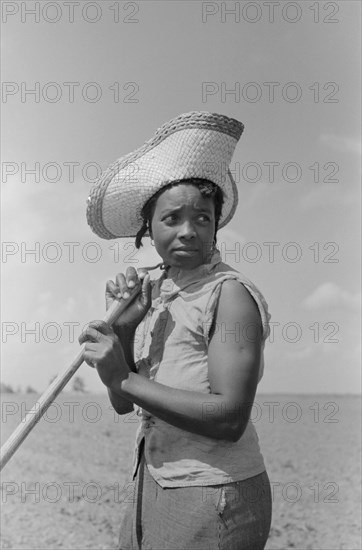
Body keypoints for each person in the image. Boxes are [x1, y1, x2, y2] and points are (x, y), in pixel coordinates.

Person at [80, 111, 272, 550]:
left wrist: (122, 376)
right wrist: (124, 331)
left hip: (214, 493)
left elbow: (229, 418)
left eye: (202, 218)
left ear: (216, 224)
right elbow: (123, 406)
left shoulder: (230, 296)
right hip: (153, 478)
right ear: (148, 227)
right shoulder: (153, 293)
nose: (189, 231)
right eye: (172, 219)